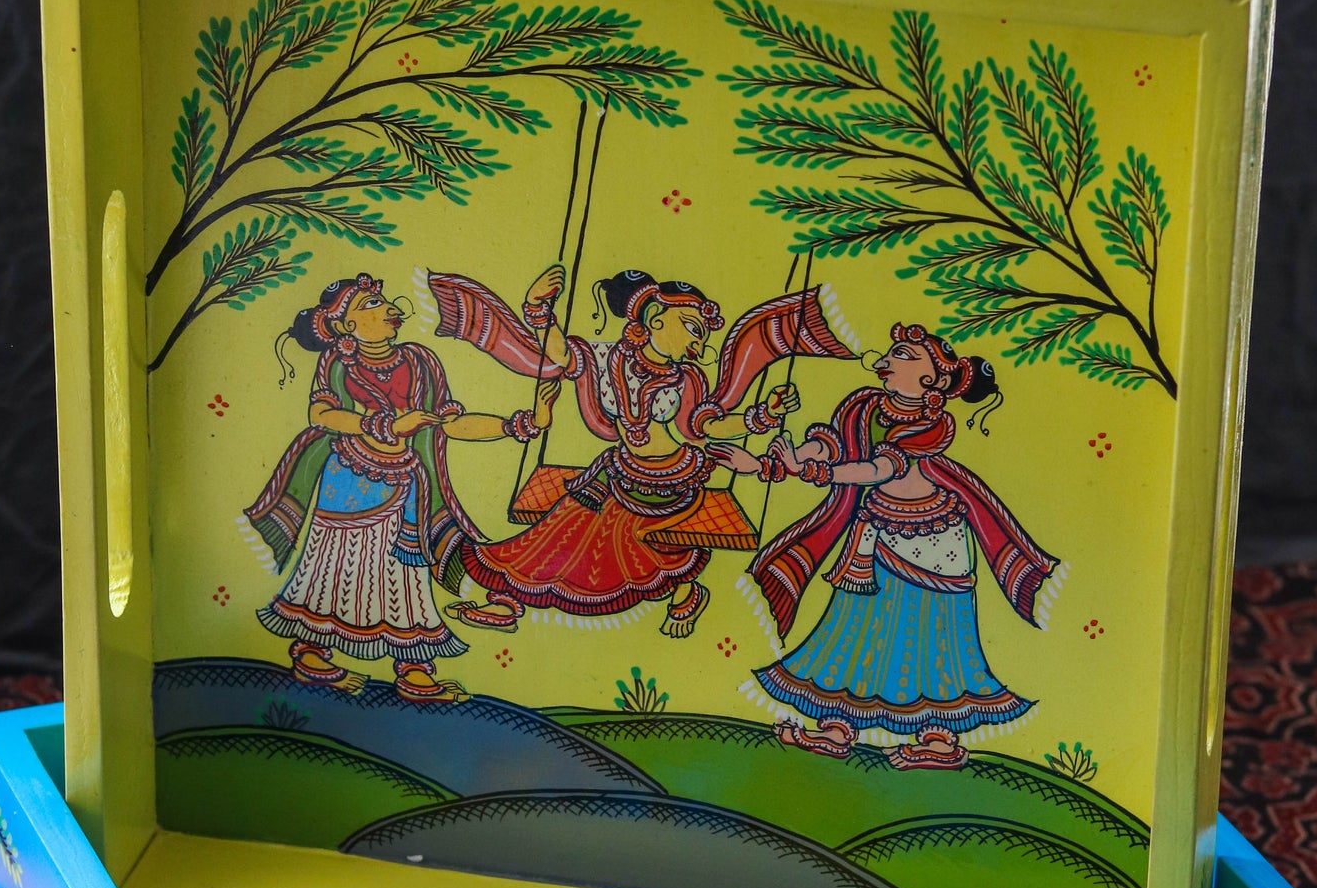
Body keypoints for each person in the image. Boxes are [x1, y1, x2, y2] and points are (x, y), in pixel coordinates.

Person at [425, 263, 849, 637]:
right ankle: (508, 602)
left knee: (623, 537)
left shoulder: (686, 380)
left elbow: (707, 426)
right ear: (658, 318)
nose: (699, 346)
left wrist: (763, 415)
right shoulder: (604, 359)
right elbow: (556, 356)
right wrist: (540, 311)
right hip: (616, 471)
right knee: (556, 526)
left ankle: (683, 588)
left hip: (670, 477)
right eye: (693, 329)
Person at [717, 323, 1059, 769]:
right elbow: (833, 444)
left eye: (906, 354)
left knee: (927, 635)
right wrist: (785, 461)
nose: (892, 357)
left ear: (932, 381)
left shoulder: (933, 426)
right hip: (874, 531)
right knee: (853, 627)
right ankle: (838, 726)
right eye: (895, 350)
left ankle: (938, 740)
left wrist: (815, 474)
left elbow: (879, 468)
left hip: (932, 541)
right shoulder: (863, 404)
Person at [243, 274, 558, 701]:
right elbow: (322, 414)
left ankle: (413, 669)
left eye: (383, 300)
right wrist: (385, 425)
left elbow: (450, 424)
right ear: (346, 326)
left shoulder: (421, 361)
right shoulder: (340, 362)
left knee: (404, 575)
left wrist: (519, 424)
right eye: (371, 305)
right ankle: (313, 650)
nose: (389, 308)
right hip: (348, 477)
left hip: (407, 479)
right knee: (336, 565)